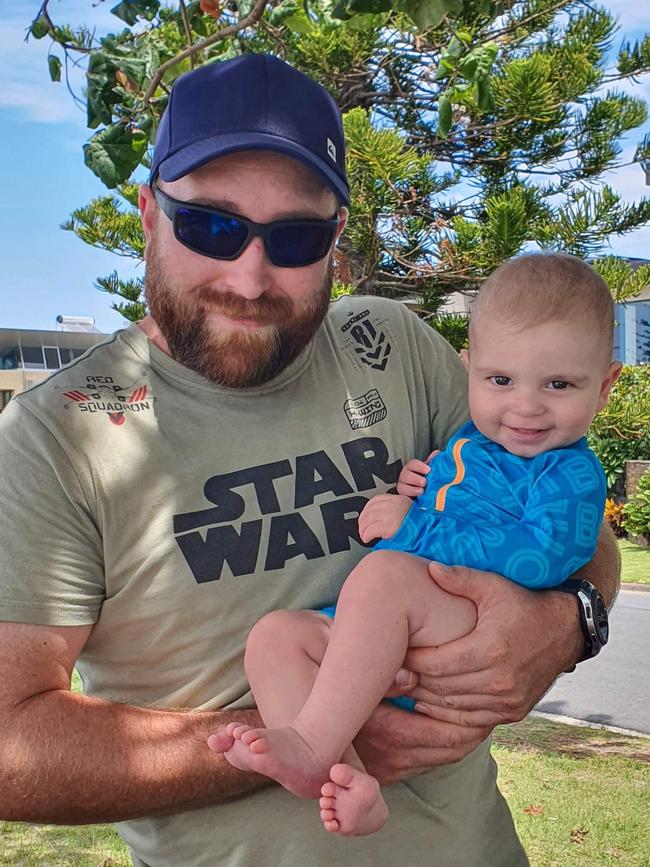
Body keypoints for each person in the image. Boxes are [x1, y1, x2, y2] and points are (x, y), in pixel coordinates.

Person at [0, 54, 619, 867]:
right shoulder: (54, 437)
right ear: (149, 212)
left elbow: (581, 532)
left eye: (293, 237)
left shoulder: (395, 346)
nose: (250, 277)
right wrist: (307, 728)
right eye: (210, 226)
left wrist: (568, 622)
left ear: (335, 240)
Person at [213, 252, 621, 836]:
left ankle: (308, 741)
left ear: (604, 386)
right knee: (278, 636)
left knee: (384, 576)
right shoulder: (473, 441)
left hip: (465, 619)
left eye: (558, 384)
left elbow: (542, 558)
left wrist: (418, 526)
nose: (526, 405)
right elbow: (461, 497)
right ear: (469, 369)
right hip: (395, 627)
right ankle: (342, 777)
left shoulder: (569, 475)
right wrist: (425, 487)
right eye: (500, 380)